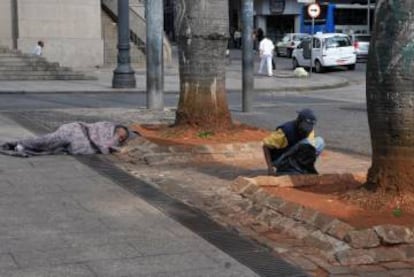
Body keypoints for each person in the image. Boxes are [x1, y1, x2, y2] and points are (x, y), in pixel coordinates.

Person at [0, 121, 134, 158]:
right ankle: (19, 143)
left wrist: (117, 140)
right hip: (75, 130)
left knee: (51, 149)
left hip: (77, 143)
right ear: (119, 127)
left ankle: (23, 148)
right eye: (122, 133)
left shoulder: (114, 140)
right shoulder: (108, 125)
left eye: (122, 138)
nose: (121, 136)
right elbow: (95, 130)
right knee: (49, 140)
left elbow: (105, 145)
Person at [262, 109, 325, 176]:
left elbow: (309, 149)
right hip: (280, 159)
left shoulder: (309, 131)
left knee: (320, 142)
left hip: (294, 154)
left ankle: (304, 167)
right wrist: (270, 168)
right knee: (304, 144)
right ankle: (287, 169)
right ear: (298, 121)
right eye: (304, 127)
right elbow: (266, 146)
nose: (306, 130)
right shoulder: (286, 131)